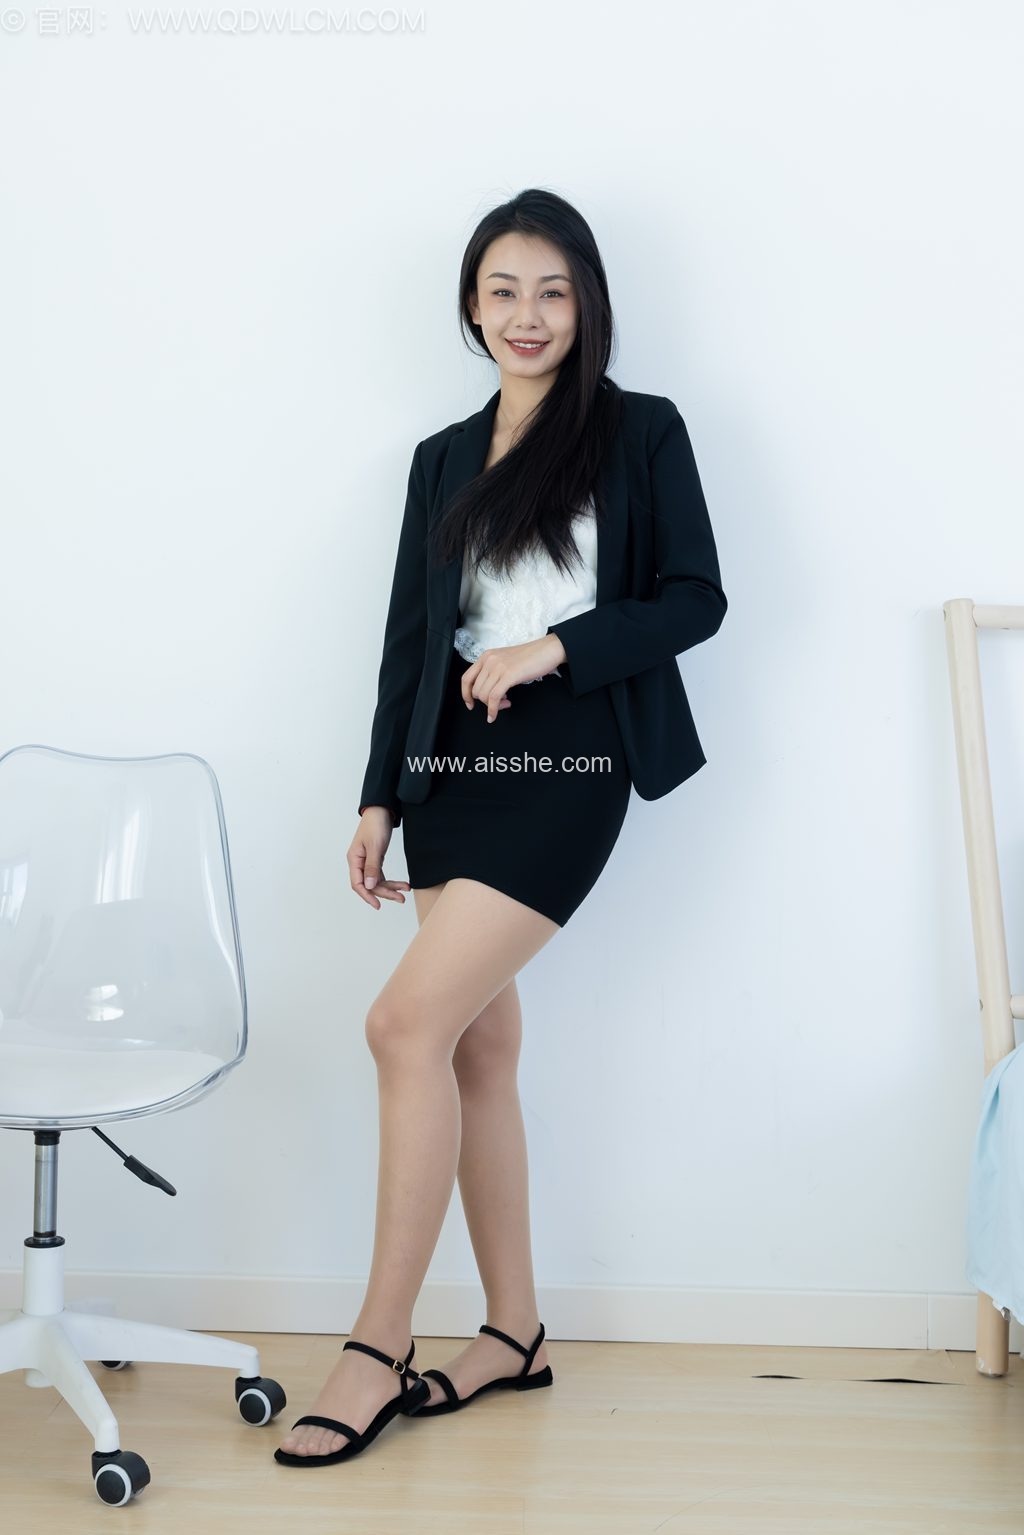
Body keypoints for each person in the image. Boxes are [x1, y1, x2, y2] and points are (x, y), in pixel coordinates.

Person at [275, 188, 727, 1467]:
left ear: (587, 305)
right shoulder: (440, 457)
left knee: (400, 1024)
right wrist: (380, 792)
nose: (527, 315)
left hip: (567, 757)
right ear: (471, 307)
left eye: (553, 291)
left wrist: (554, 647)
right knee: (475, 1047)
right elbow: (410, 641)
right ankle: (513, 1331)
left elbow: (695, 597)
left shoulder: (639, 430)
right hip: (449, 766)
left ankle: (376, 1345)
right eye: (503, 290)